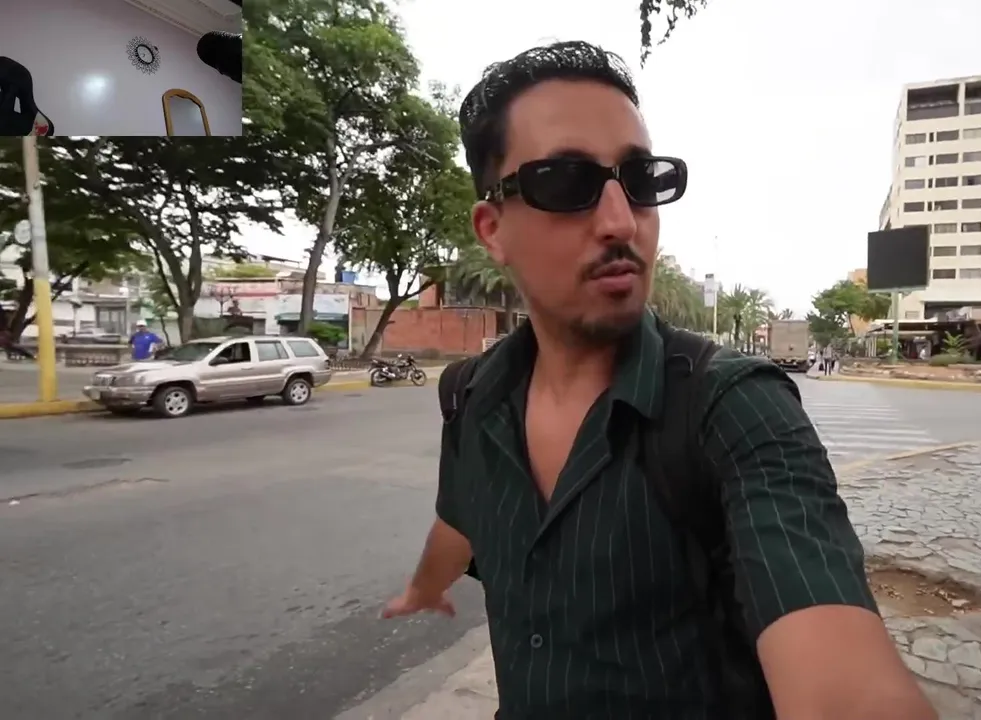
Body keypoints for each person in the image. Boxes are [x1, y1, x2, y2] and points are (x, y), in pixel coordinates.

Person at [382, 41, 935, 720]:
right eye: (567, 182)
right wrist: (426, 586)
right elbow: (461, 518)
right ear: (492, 229)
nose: (622, 222)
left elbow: (843, 679)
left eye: (642, 180)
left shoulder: (735, 408)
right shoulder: (471, 397)